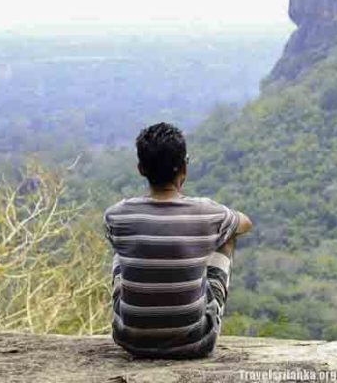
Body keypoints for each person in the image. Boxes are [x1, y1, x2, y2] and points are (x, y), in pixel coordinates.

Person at [103, 122, 252, 358]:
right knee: (227, 235)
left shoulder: (117, 215)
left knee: (122, 251)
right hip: (194, 342)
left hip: (130, 339)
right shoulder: (207, 212)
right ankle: (193, 306)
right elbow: (245, 223)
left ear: (141, 168)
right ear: (184, 167)